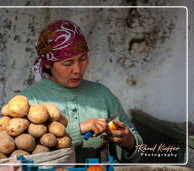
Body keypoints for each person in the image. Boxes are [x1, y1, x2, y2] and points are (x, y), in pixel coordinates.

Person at [21, 20, 143, 163]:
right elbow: (23, 153)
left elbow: (138, 148)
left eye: (83, 59)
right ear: (48, 64)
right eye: (67, 63)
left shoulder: (102, 94)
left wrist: (128, 141)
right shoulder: (29, 100)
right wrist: (77, 130)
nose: (78, 70)